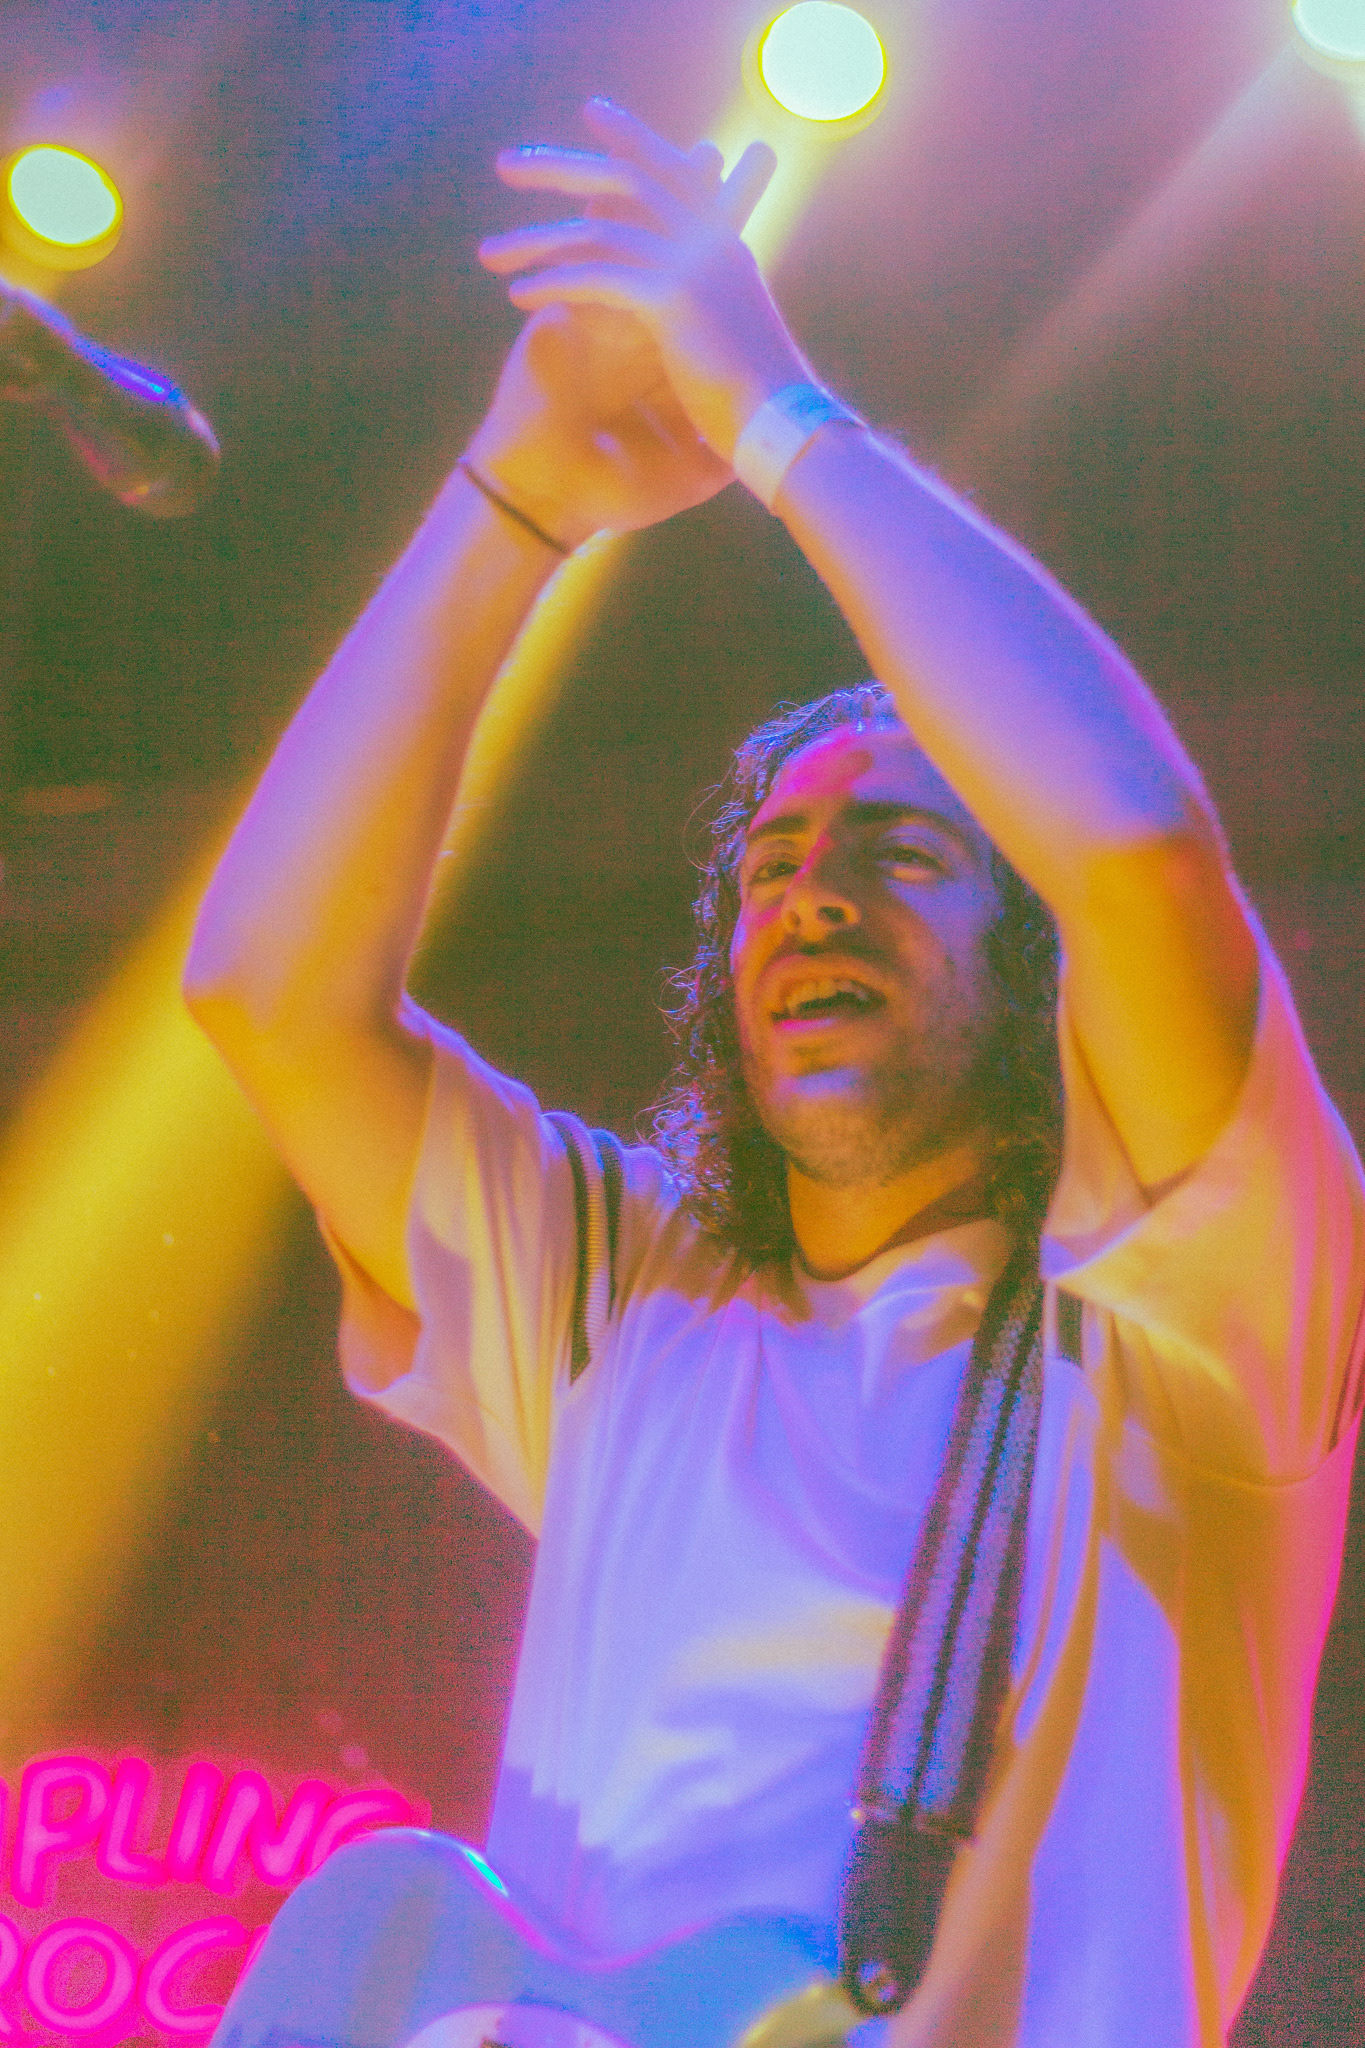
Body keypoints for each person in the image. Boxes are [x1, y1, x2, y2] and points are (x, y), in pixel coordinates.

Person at [187, 99, 1365, 2048]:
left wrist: (770, 414)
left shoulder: (1193, 1322)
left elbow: (1139, 852)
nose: (808, 897)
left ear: (1038, 958)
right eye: (770, 865)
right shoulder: (625, 1294)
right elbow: (264, 991)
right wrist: (511, 502)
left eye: (894, 852)